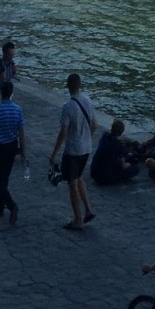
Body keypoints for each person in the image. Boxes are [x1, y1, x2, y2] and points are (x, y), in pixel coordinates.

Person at [49, 71, 98, 232]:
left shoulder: (68, 106)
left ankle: (78, 219)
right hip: (86, 148)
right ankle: (88, 209)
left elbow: (63, 133)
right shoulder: (88, 101)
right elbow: (95, 125)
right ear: (80, 85)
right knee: (78, 177)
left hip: (73, 150)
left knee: (72, 183)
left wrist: (54, 153)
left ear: (68, 86)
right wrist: (87, 137)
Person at [0, 80, 27, 225]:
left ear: (1, 92)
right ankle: (0, 206)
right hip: (12, 147)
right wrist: (23, 152)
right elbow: (21, 133)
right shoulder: (17, 110)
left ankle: (11, 205)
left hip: (0, 147)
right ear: (12, 93)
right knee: (5, 178)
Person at [91, 119, 139, 186]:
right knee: (135, 168)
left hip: (94, 173)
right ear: (121, 132)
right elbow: (124, 166)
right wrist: (129, 164)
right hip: (106, 178)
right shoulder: (118, 145)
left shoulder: (104, 136)